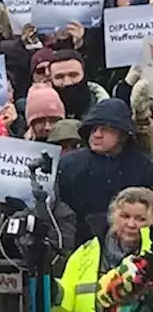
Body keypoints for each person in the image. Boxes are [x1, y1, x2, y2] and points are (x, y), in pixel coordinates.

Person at [58, 99, 153, 246]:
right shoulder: (68, 165)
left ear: (123, 134)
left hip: (133, 250)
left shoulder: (145, 168)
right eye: (94, 129)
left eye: (105, 129)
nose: (97, 134)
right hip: (78, 246)